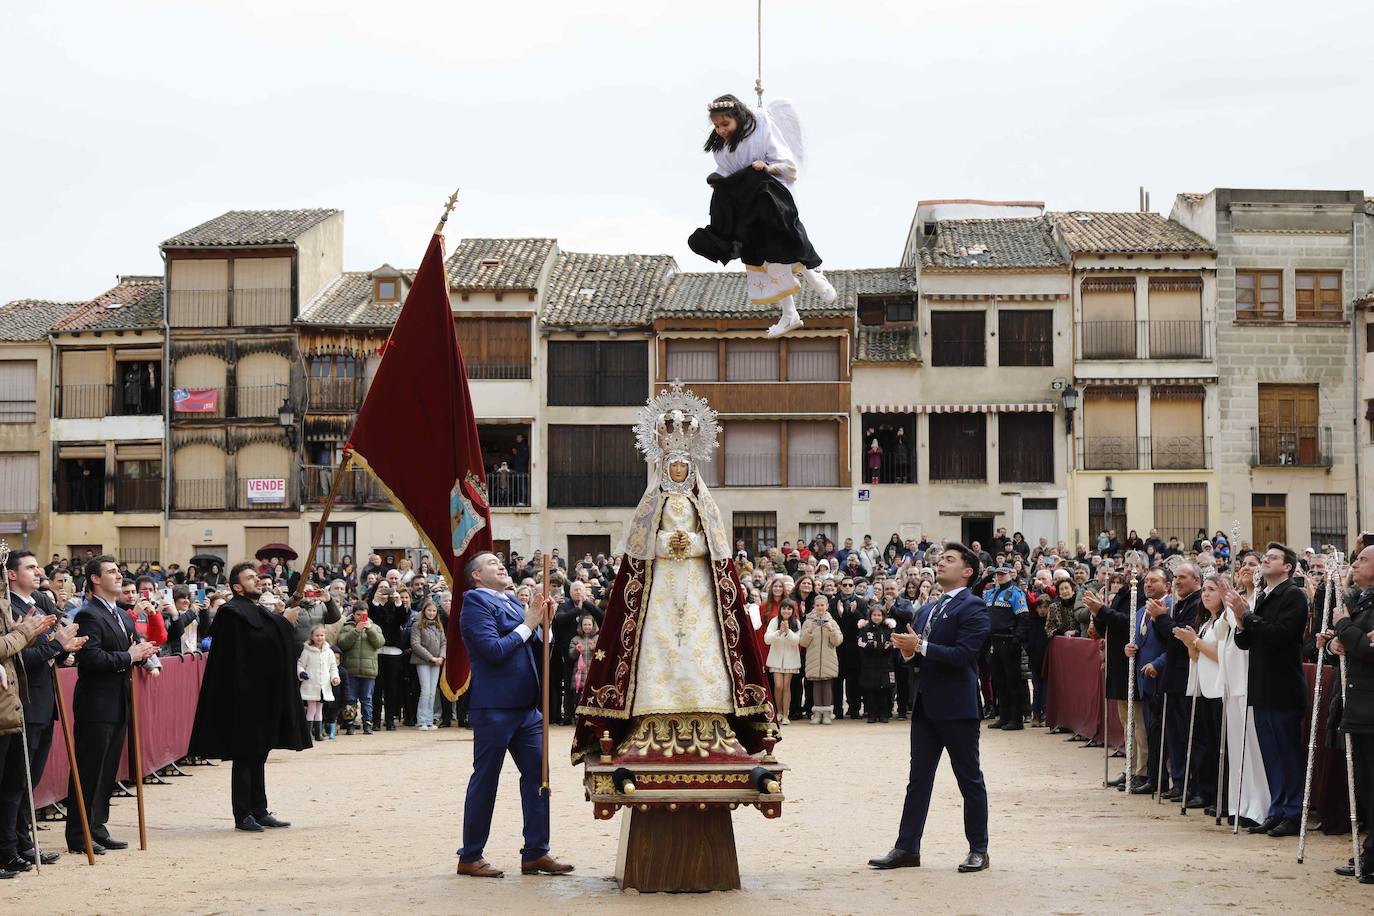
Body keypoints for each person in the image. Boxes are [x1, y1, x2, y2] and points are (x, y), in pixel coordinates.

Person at [870, 543, 991, 873]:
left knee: (969, 779)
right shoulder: (928, 609)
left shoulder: (974, 606)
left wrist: (919, 646)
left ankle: (978, 848)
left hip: (958, 705)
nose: (940, 563)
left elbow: (964, 656)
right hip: (926, 705)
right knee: (918, 780)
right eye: (940, 559)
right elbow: (917, 655)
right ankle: (907, 847)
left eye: (949, 560)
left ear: (967, 571)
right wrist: (908, 652)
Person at [456, 552, 571, 879]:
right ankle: (471, 855)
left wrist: (544, 626)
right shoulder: (475, 603)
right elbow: (493, 651)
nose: (500, 564)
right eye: (490, 563)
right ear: (476, 576)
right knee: (486, 779)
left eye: (499, 561)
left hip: (526, 709)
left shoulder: (509, 601)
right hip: (494, 707)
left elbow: (536, 650)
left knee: (539, 777)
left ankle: (536, 851)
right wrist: (529, 623)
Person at [690, 93, 835, 338]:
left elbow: (787, 165)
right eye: (717, 126)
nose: (721, 130)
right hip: (748, 210)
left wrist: (766, 168)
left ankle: (813, 275)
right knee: (763, 257)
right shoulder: (722, 149)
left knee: (785, 241)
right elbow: (727, 173)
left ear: (737, 118)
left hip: (772, 199)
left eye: (725, 124)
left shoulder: (761, 128)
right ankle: (790, 313)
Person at [189, 562, 310, 832]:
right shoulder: (230, 612)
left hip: (262, 694)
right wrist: (283, 622)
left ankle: (259, 808)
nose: (257, 581)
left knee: (259, 753)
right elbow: (252, 645)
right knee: (245, 755)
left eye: (257, 577)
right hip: (242, 696)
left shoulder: (256, 610)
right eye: (250, 577)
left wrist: (280, 621)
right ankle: (243, 813)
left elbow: (269, 644)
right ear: (236, 586)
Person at [65, 555, 160, 854]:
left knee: (107, 770)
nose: (119, 576)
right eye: (111, 572)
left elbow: (130, 649)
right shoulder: (88, 614)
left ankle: (97, 825)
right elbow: (91, 659)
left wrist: (142, 652)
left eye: (119, 572)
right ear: (95, 579)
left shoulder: (120, 613)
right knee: (90, 768)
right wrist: (130, 657)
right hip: (97, 702)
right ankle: (79, 834)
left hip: (120, 700)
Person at [5, 550, 85, 868]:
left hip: (43, 700)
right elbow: (18, 659)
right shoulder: (10, 609)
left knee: (29, 779)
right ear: (11, 575)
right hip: (23, 701)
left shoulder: (39, 605)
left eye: (38, 566)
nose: (39, 571)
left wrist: (62, 652)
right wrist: (56, 646)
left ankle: (22, 841)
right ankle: (10, 846)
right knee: (16, 780)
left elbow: (48, 649)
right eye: (30, 566)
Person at [1228, 542, 1307, 837]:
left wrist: (1248, 617)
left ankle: (1294, 811)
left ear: (1287, 567)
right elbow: (1245, 642)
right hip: (1261, 686)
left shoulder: (1294, 596)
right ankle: (1277, 809)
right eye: (1266, 558)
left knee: (1287, 752)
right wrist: (1240, 622)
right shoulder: (1263, 597)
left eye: (1273, 558)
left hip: (1283, 687)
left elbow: (1281, 634)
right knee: (1270, 754)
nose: (1265, 561)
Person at [1322, 544, 1374, 881]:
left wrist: (1345, 629)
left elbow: (1369, 650)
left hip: (1370, 705)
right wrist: (1332, 642)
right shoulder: (1357, 599)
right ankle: (1369, 850)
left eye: (1363, 559)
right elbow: (1349, 645)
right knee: (1366, 787)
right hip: (1355, 704)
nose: (1355, 563)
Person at [983, 566, 1029, 731]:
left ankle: (1016, 719)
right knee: (998, 681)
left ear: (1010, 575)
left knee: (1013, 681)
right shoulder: (990, 593)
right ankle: (1003, 717)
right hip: (994, 641)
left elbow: (1023, 618)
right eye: (998, 574)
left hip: (1009, 641)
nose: (1000, 577)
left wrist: (1017, 639)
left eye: (1003, 574)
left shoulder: (1016, 593)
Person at [336, 605, 384, 735]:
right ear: (353, 615)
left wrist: (370, 630)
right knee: (350, 699)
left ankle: (367, 723)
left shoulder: (375, 628)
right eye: (358, 615)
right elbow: (342, 644)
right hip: (351, 671)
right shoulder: (347, 628)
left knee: (367, 699)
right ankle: (350, 723)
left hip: (369, 671)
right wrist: (356, 630)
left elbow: (380, 643)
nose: (361, 617)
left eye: (363, 615)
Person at [799, 593, 843, 724]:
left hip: (828, 659)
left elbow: (838, 641)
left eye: (822, 605)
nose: (820, 607)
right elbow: (803, 642)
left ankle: (827, 714)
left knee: (827, 685)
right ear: (814, 606)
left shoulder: (832, 622)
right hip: (813, 659)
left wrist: (831, 630)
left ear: (827, 606)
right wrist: (810, 630)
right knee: (816, 686)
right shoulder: (808, 622)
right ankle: (817, 713)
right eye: (817, 605)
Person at [297, 625, 340, 741]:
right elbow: (300, 664)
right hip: (311, 685)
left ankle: (318, 734)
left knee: (319, 709)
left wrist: (334, 677)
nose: (319, 638)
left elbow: (333, 667)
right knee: (311, 709)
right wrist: (301, 673)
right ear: (312, 637)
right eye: (317, 635)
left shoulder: (329, 652)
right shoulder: (307, 651)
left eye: (322, 635)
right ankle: (308, 734)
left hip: (323, 687)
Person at [410, 603, 446, 731]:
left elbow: (443, 643)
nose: (431, 613)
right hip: (423, 661)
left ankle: (430, 720)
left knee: (432, 692)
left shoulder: (438, 626)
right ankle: (422, 720)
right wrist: (431, 658)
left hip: (436, 662)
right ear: (424, 611)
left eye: (434, 611)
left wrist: (441, 657)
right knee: (425, 691)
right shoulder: (417, 625)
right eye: (429, 610)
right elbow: (415, 644)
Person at [764, 601, 801, 726]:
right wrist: (779, 632)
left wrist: (788, 631)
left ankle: (786, 715)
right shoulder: (774, 621)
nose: (786, 611)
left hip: (791, 661)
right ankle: (779, 712)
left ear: (792, 611)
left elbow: (796, 641)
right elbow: (767, 639)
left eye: (789, 609)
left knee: (786, 686)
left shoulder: (796, 622)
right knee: (778, 686)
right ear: (780, 609)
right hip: (776, 659)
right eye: (784, 608)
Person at [857, 604, 895, 723]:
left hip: (885, 665)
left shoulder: (888, 628)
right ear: (870, 615)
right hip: (870, 665)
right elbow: (860, 643)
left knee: (885, 690)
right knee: (871, 690)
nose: (877, 617)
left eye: (879, 615)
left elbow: (894, 642)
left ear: (883, 616)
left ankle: (884, 713)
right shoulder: (865, 629)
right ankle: (872, 714)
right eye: (874, 615)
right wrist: (870, 645)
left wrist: (889, 645)